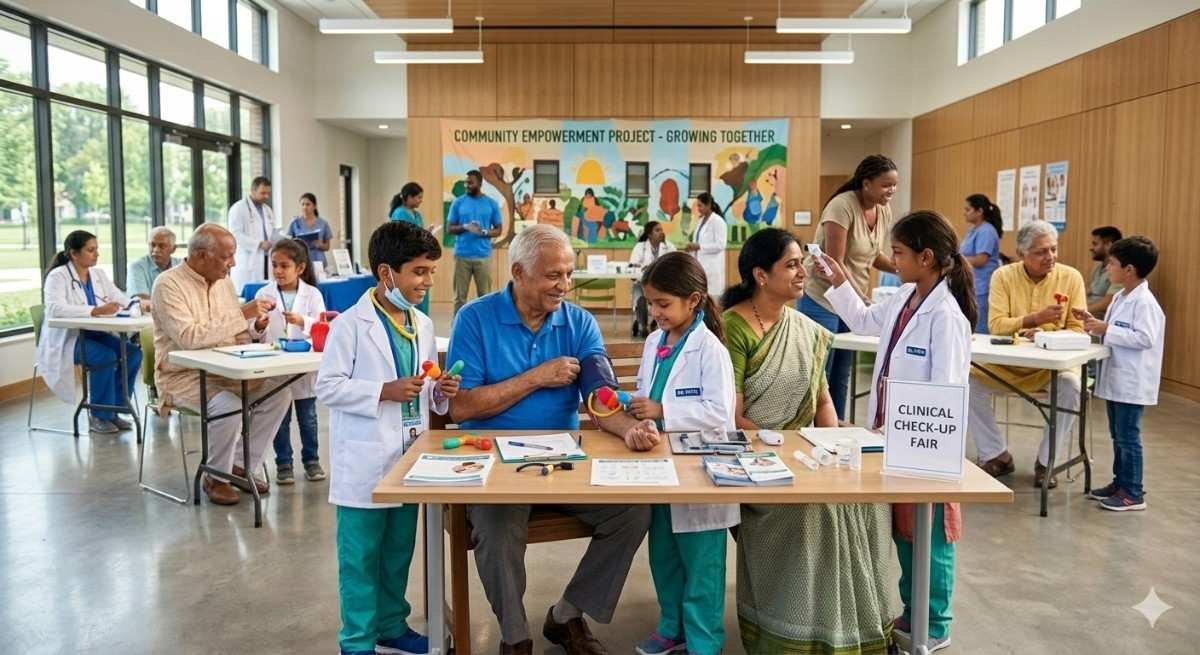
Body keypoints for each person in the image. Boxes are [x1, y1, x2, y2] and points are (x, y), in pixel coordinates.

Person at [446, 224, 656, 655]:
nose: (564, 285)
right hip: (495, 467)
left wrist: (628, 428)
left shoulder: (578, 323)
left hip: (561, 464)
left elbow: (599, 396)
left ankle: (565, 615)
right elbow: (461, 407)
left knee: (634, 511)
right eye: (553, 275)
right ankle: (515, 636)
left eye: (568, 274)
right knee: (496, 530)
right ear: (518, 273)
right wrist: (537, 377)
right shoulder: (475, 318)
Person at [721, 228, 892, 654]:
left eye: (803, 263)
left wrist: (836, 445)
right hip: (757, 457)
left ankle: (854, 628)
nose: (803, 273)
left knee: (866, 501)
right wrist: (790, 450)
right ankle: (795, 633)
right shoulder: (734, 327)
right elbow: (734, 416)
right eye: (792, 265)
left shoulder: (806, 329)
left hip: (805, 453)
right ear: (761, 275)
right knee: (815, 510)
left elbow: (822, 400)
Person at [817, 211, 975, 653]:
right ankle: (912, 610)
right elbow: (864, 320)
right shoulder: (906, 296)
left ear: (927, 258)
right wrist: (838, 279)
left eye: (900, 253)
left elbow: (945, 391)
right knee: (906, 530)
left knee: (931, 533)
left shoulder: (946, 316)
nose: (893, 260)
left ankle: (935, 622)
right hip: (895, 438)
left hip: (926, 441)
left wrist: (905, 428)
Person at [316, 221, 457, 655]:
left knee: (398, 551)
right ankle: (357, 641)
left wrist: (440, 391)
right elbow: (328, 387)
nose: (427, 282)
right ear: (386, 273)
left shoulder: (421, 323)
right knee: (360, 556)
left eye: (431, 272)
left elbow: (424, 386)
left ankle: (391, 625)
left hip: (407, 456)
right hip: (364, 462)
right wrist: (383, 391)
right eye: (419, 272)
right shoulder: (350, 326)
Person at [619, 252, 736, 655]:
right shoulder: (655, 341)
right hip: (660, 466)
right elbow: (647, 390)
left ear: (694, 300)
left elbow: (719, 413)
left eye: (663, 304)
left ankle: (704, 641)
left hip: (700, 471)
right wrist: (633, 405)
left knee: (702, 565)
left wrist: (663, 410)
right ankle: (672, 627)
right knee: (664, 555)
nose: (654, 312)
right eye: (650, 303)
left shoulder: (710, 350)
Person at [152, 224, 292, 505]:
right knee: (228, 405)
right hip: (182, 376)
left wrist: (255, 328)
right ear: (202, 255)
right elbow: (189, 338)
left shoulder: (224, 283)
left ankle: (239, 465)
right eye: (227, 257)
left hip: (226, 370)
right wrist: (242, 314)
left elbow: (237, 334)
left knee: (280, 393)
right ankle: (215, 476)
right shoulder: (168, 285)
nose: (234, 263)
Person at [969, 220, 1087, 488]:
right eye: (1041, 251)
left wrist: (1046, 334)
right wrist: (1034, 319)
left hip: (1051, 369)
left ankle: (1047, 462)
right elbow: (997, 325)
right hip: (1007, 366)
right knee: (968, 383)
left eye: (1053, 249)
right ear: (1021, 253)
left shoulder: (1071, 277)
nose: (1050, 257)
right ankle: (996, 454)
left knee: (1071, 387)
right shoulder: (1003, 276)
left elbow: (1077, 329)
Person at [799, 155, 899, 420]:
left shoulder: (883, 210)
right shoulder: (841, 207)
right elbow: (836, 263)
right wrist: (862, 299)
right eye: (885, 185)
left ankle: (836, 429)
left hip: (852, 300)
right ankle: (810, 429)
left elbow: (873, 255)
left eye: (894, 185)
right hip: (823, 300)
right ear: (866, 184)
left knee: (841, 374)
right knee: (820, 374)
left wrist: (903, 269)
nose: (891, 190)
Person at [1074, 236, 1164, 512]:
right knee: (1118, 435)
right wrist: (1093, 323)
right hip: (1116, 380)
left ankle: (1133, 492)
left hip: (1131, 382)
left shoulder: (1144, 303)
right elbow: (1114, 330)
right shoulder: (1121, 297)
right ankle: (1120, 483)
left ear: (1129, 269)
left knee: (1128, 437)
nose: (1107, 268)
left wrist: (1107, 330)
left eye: (1111, 263)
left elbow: (1145, 338)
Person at [37, 230, 144, 435]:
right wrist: (94, 310)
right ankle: (99, 416)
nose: (96, 254)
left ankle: (116, 409)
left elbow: (118, 296)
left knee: (132, 353)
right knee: (105, 356)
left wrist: (136, 304)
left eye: (97, 249)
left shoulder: (98, 274)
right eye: (90, 250)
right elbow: (55, 309)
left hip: (95, 333)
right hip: (69, 339)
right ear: (74, 253)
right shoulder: (57, 276)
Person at [249, 239, 327, 485]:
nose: (278, 271)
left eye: (284, 266)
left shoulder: (312, 294)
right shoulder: (263, 294)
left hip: (303, 366)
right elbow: (253, 332)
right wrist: (259, 325)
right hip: (276, 364)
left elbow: (322, 325)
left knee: (308, 419)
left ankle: (311, 460)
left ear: (300, 268)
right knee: (279, 419)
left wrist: (302, 321)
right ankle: (283, 463)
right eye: (274, 265)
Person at [447, 170, 502, 316]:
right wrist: (465, 227)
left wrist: (483, 232)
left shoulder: (491, 204)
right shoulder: (458, 203)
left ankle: (485, 325)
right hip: (462, 256)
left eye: (470, 182)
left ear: (480, 183)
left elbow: (498, 230)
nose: (467, 185)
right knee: (459, 298)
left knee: (485, 296)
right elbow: (450, 228)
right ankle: (458, 325)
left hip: (483, 256)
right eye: (466, 182)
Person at [959, 193, 1003, 333]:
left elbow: (981, 260)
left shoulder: (986, 231)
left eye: (968, 209)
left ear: (979, 211)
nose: (964, 213)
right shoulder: (973, 230)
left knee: (980, 328)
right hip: (973, 285)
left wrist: (956, 260)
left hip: (982, 287)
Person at [228, 176, 277, 294]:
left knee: (265, 296)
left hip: (266, 260)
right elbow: (235, 235)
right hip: (248, 261)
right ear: (253, 191)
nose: (266, 196)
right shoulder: (238, 208)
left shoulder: (267, 210)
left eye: (268, 193)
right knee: (247, 297)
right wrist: (259, 244)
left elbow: (270, 232)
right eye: (263, 193)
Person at [628, 220, 676, 337]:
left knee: (666, 297)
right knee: (640, 298)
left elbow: (675, 265)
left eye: (661, 230)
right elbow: (633, 265)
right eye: (657, 230)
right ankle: (643, 325)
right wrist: (643, 267)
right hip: (643, 283)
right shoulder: (640, 247)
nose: (661, 232)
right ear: (649, 234)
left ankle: (658, 321)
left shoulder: (669, 247)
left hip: (663, 284)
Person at [389, 183, 431, 315]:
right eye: (419, 197)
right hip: (406, 258)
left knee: (422, 288)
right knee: (410, 291)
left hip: (419, 256)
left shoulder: (417, 215)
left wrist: (426, 233)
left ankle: (421, 318)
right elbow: (399, 236)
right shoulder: (399, 213)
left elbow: (417, 232)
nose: (421, 200)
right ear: (409, 197)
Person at [684, 192, 726, 297]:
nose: (698, 209)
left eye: (700, 206)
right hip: (700, 266)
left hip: (712, 267)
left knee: (712, 297)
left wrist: (699, 246)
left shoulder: (718, 221)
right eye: (697, 206)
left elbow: (721, 245)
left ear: (708, 205)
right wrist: (691, 248)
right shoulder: (701, 220)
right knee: (700, 295)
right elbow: (699, 241)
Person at [127, 226, 181, 299]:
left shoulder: (181, 265)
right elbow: (141, 299)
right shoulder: (137, 267)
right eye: (152, 245)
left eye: (162, 246)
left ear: (173, 249)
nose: (156, 250)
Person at [286, 192, 334, 271]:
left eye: (308, 204)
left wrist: (320, 245)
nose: (305, 207)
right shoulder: (295, 222)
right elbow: (288, 244)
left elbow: (327, 247)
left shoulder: (323, 223)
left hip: (319, 261)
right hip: (301, 261)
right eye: (303, 204)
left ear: (314, 206)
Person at [1086, 226, 1123, 318]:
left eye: (1095, 244)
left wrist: (1083, 310)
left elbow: (1109, 302)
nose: (1091, 248)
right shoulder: (1098, 268)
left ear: (1108, 245)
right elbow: (1089, 291)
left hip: (1100, 319)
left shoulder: (1120, 270)